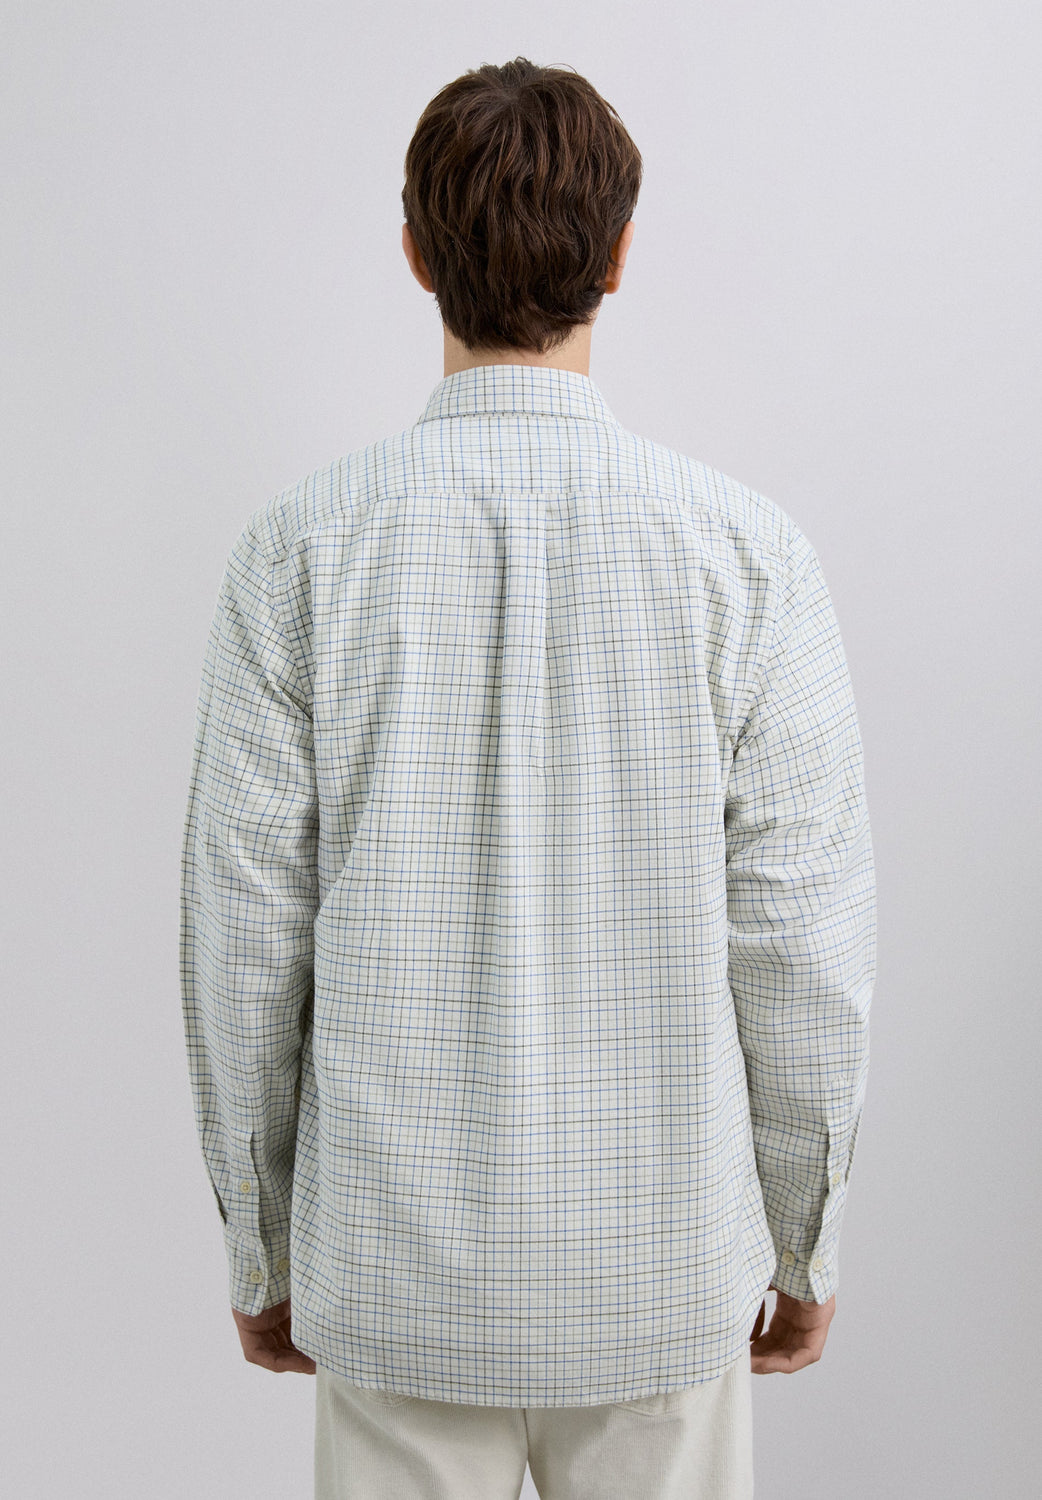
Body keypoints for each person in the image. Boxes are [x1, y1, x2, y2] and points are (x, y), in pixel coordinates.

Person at [180, 56, 875, 1500]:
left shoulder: (298, 554)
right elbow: (804, 950)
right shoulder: (749, 559)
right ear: (618, 257)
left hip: (391, 1278)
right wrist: (806, 1243)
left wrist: (261, 1246)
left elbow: (243, 944)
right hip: (660, 1276)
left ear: (414, 253)